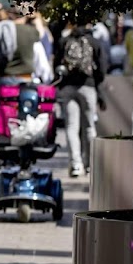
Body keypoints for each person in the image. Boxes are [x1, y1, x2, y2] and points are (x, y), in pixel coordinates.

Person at [54, 21, 108, 176]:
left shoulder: (64, 41)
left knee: (72, 126)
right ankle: (90, 164)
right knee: (89, 126)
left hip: (68, 87)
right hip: (88, 86)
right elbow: (102, 68)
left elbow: (56, 64)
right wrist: (97, 85)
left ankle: (75, 164)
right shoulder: (94, 42)